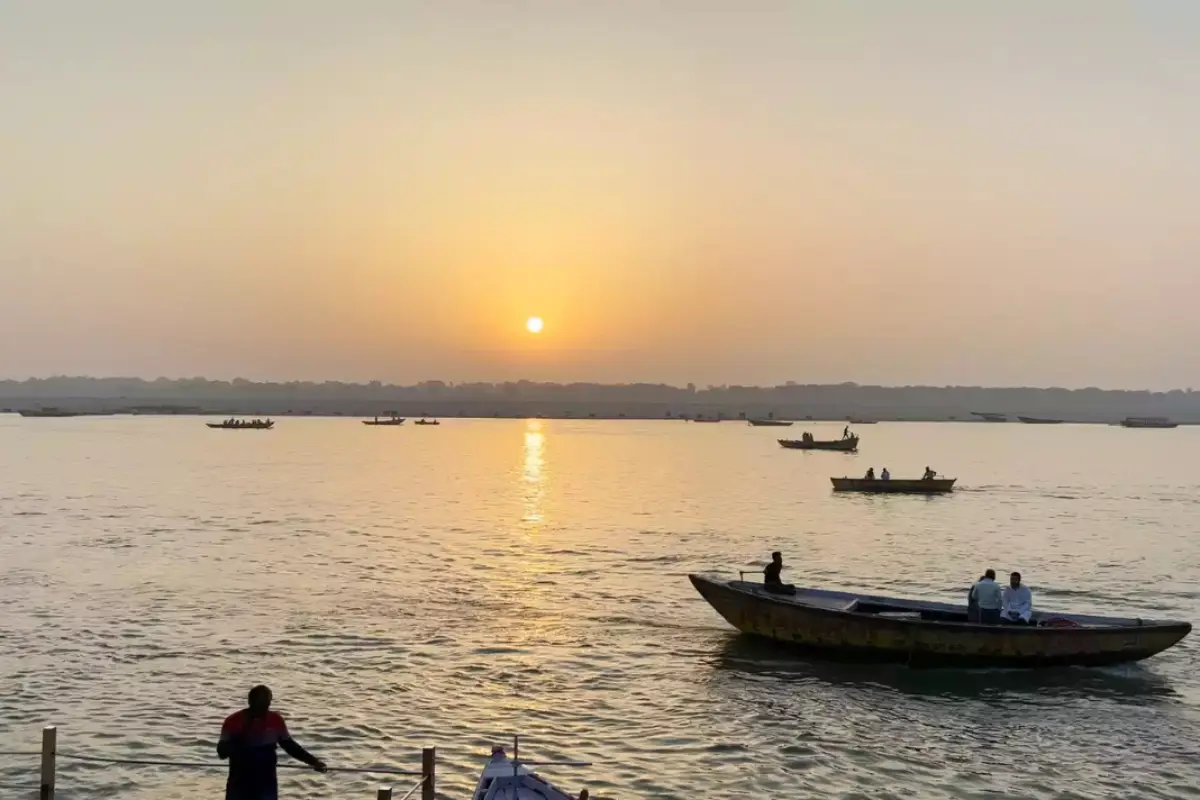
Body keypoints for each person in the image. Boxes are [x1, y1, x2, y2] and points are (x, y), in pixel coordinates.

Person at [218, 685, 326, 800]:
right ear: (250, 702)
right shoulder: (233, 721)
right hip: (239, 783)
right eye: (259, 706)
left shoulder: (275, 720)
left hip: (266, 783)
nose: (263, 710)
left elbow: (290, 746)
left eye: (266, 705)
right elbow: (222, 753)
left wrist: (314, 761)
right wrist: (243, 733)